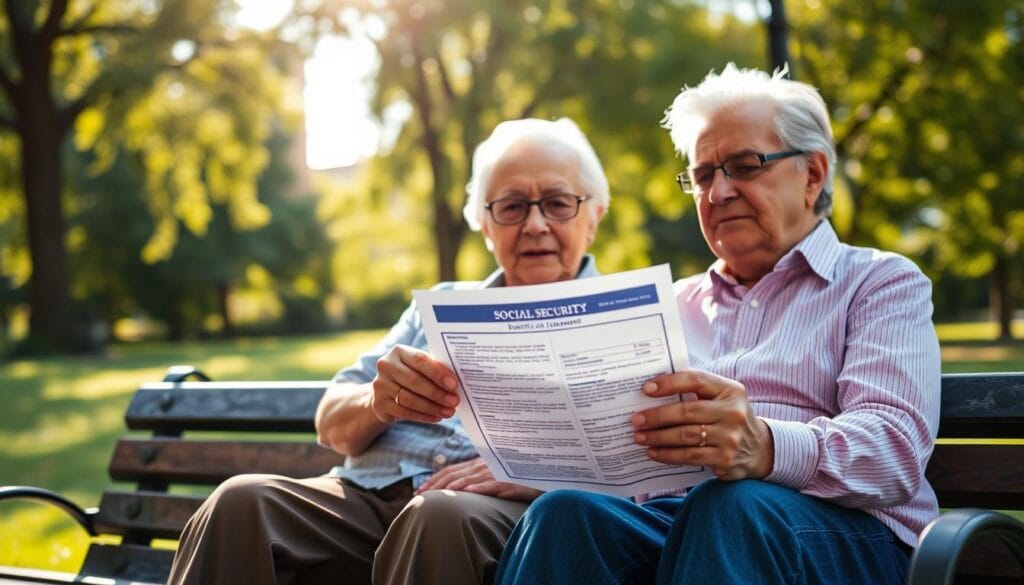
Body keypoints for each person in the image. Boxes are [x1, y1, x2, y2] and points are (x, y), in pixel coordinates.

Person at [493, 64, 941, 585]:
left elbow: (895, 450)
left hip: (841, 535)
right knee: (564, 515)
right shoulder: (670, 305)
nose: (718, 192)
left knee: (731, 505)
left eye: (744, 166)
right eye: (704, 175)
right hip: (680, 523)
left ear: (813, 174)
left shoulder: (880, 282)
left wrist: (765, 445)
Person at [166, 117, 610, 585]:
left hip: (490, 514)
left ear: (595, 216)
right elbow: (331, 419)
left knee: (438, 516)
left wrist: (538, 471)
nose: (535, 224)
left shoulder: (625, 318)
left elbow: (651, 471)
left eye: (558, 203)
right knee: (240, 502)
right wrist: (379, 400)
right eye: (512, 206)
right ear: (483, 223)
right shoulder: (439, 306)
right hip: (365, 496)